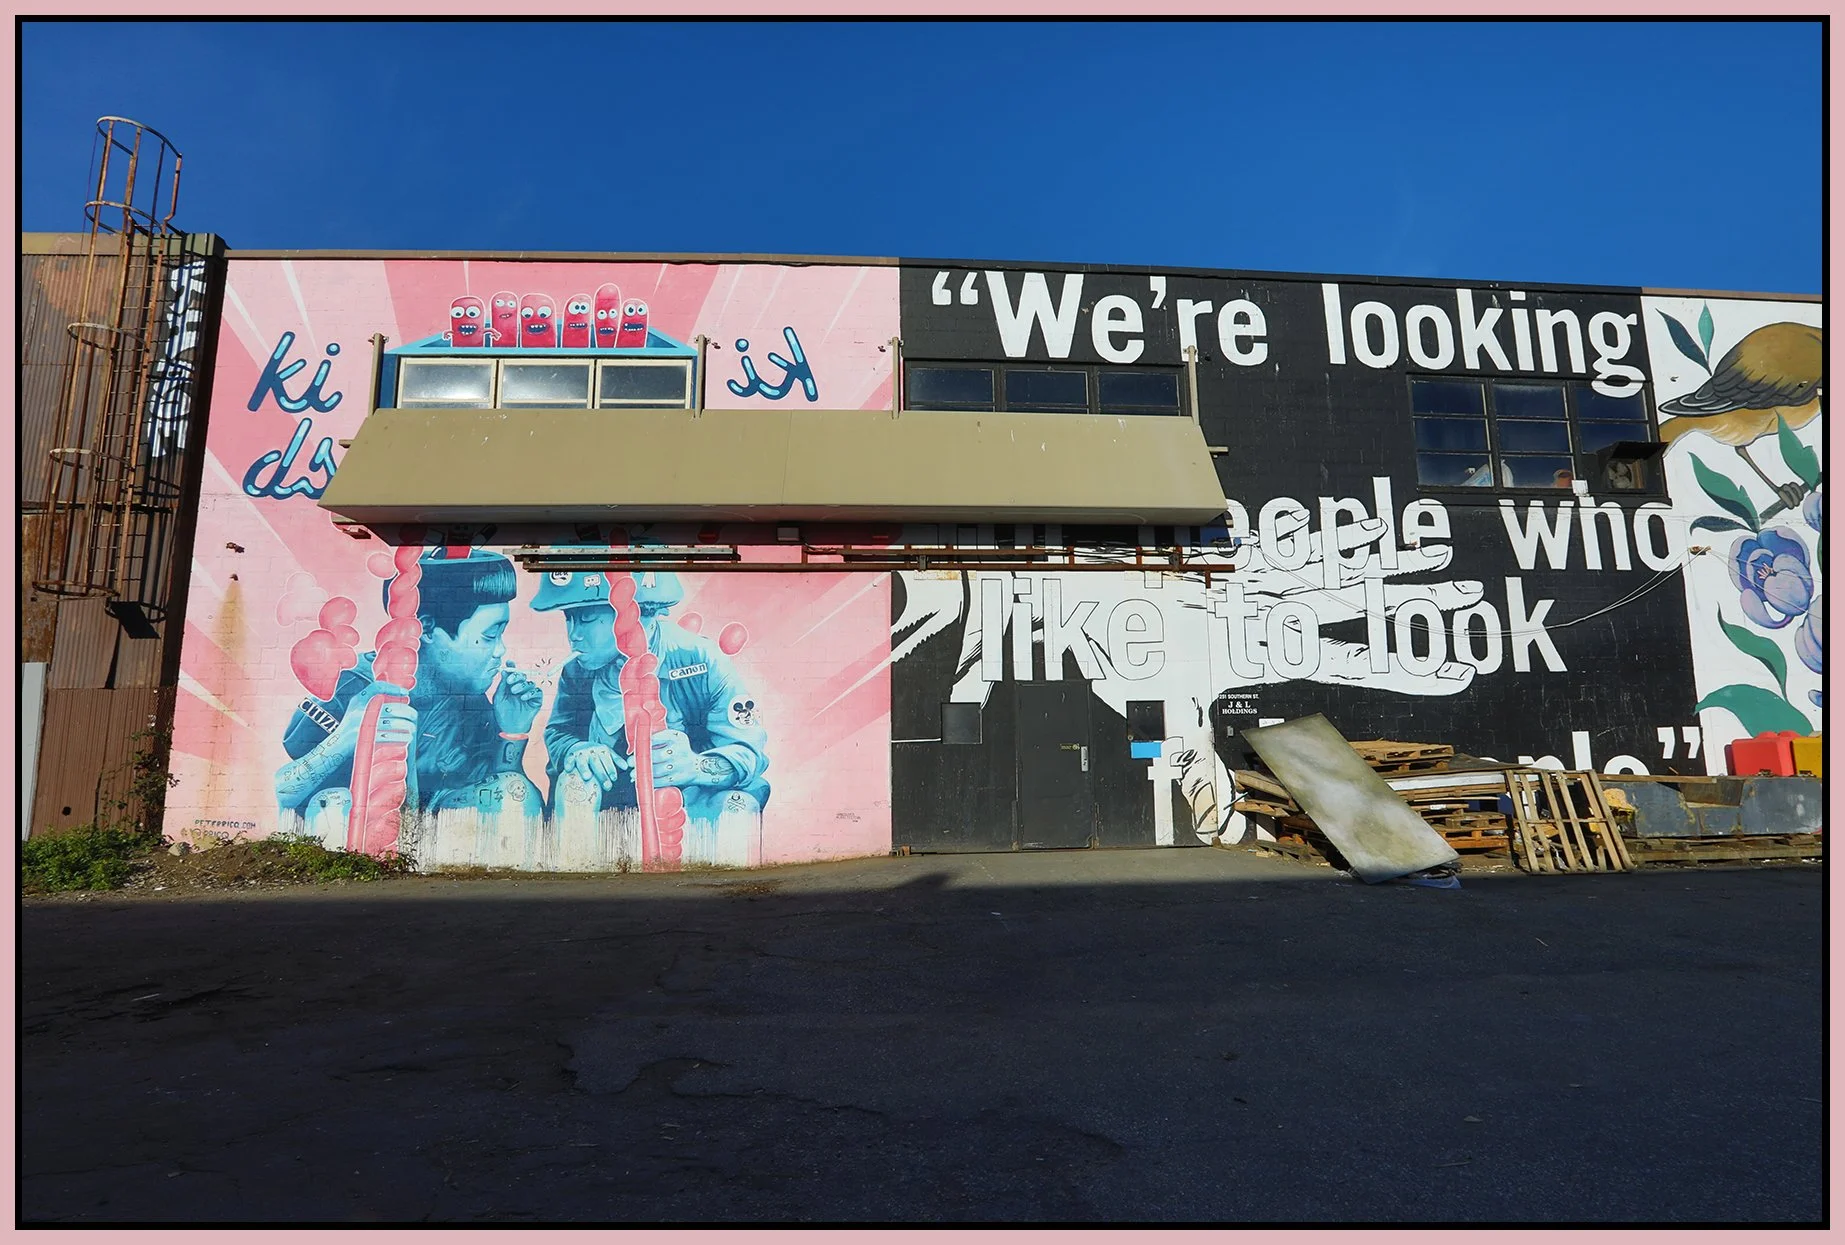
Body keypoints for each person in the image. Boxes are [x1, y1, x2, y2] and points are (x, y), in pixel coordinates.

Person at [275, 547, 544, 841]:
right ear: (427, 629)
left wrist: (513, 731)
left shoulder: (473, 705)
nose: (500, 651)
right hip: (359, 835)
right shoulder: (353, 685)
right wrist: (347, 735)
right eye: (490, 636)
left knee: (517, 796)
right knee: (334, 805)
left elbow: (504, 792)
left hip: (431, 840)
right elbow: (285, 790)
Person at [534, 569, 769, 824]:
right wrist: (578, 749)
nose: (574, 634)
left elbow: (748, 752)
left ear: (637, 614)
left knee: (736, 808)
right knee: (576, 783)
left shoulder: (700, 658)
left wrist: (695, 767)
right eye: (569, 618)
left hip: (686, 806)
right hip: (610, 808)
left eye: (586, 618)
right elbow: (559, 732)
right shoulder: (577, 670)